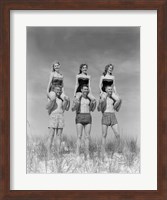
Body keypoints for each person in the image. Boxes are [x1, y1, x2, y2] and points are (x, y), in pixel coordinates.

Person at [72, 84, 96, 159]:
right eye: (84, 89)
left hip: (88, 116)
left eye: (87, 89)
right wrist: (76, 103)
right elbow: (72, 109)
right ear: (81, 90)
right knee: (79, 136)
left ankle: (87, 153)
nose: (86, 91)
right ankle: (77, 153)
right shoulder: (78, 98)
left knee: (87, 136)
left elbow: (92, 109)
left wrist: (93, 104)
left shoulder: (89, 99)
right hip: (79, 116)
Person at [46, 86, 69, 159]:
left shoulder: (61, 99)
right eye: (57, 90)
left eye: (60, 90)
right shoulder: (51, 97)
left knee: (59, 136)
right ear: (54, 90)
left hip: (61, 117)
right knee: (51, 136)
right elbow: (47, 108)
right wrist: (52, 101)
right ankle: (48, 154)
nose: (58, 91)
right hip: (53, 117)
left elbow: (65, 109)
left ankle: (58, 153)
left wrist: (66, 101)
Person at [97, 85, 121, 157]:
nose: (110, 90)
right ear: (106, 90)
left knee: (118, 135)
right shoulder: (103, 97)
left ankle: (116, 152)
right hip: (105, 115)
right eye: (109, 89)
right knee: (104, 135)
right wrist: (100, 102)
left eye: (111, 89)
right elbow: (98, 109)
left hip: (113, 115)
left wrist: (119, 102)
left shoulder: (113, 99)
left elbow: (117, 109)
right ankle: (103, 152)